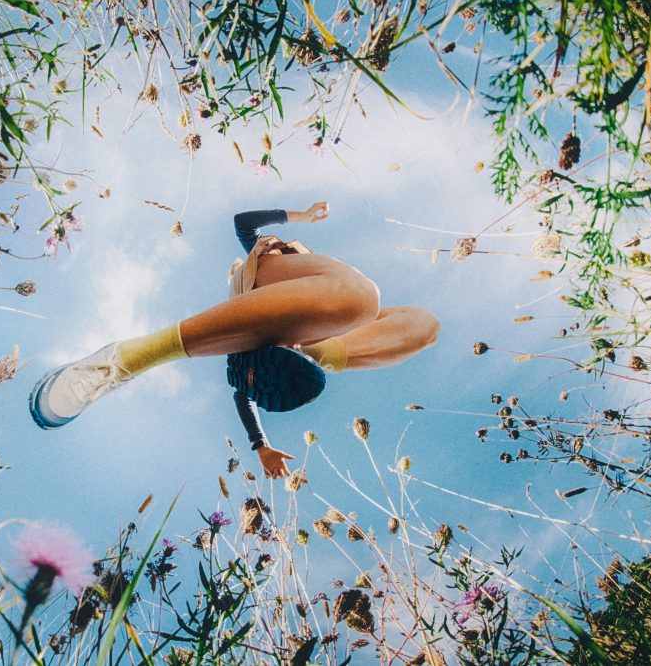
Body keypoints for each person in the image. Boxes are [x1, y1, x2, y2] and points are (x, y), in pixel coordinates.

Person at [29, 202, 441, 479]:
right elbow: (243, 226)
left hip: (301, 333)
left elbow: (243, 393)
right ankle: (127, 360)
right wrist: (296, 221)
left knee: (423, 326)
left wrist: (260, 446)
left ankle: (310, 352)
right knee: (361, 298)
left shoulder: (323, 297)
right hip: (263, 309)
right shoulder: (263, 263)